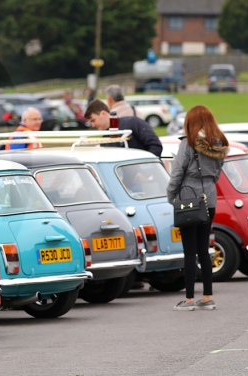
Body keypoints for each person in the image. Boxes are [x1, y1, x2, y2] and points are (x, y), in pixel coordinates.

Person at [166, 105, 227, 311]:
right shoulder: (219, 143)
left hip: (189, 199)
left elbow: (177, 173)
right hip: (210, 199)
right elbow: (218, 172)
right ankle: (208, 296)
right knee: (204, 249)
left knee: (189, 251)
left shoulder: (189, 143)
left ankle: (190, 298)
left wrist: (171, 195)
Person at [83, 100, 162, 157]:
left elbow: (155, 146)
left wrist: (144, 171)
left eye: (93, 120)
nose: (92, 125)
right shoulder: (105, 139)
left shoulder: (133, 122)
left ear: (103, 113)